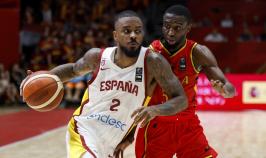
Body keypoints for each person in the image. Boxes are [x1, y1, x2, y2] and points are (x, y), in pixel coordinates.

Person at [20, 10, 187, 158]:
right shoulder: (97, 57)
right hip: (84, 131)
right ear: (116, 35)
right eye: (127, 31)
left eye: (137, 31)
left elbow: (181, 99)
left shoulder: (153, 62)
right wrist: (41, 78)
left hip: (112, 142)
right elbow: (72, 70)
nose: (133, 36)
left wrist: (154, 110)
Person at [116, 5, 236, 158]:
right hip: (157, 124)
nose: (170, 32)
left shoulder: (198, 52)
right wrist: (129, 133)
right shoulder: (151, 53)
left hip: (188, 125)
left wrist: (225, 91)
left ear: (188, 28)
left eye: (177, 28)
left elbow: (230, 88)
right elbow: (138, 96)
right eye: (166, 27)